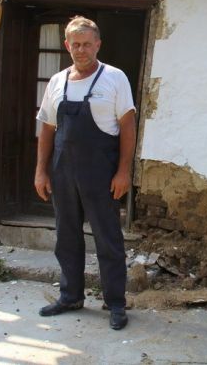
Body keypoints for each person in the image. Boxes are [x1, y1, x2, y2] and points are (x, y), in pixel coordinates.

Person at [34, 16, 136, 330]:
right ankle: (71, 296)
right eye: (75, 44)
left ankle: (115, 303)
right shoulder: (57, 81)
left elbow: (128, 127)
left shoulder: (114, 78)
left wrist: (123, 172)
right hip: (63, 172)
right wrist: (41, 171)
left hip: (101, 173)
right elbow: (48, 129)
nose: (81, 50)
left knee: (108, 239)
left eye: (87, 44)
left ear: (98, 45)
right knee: (67, 236)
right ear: (67, 46)